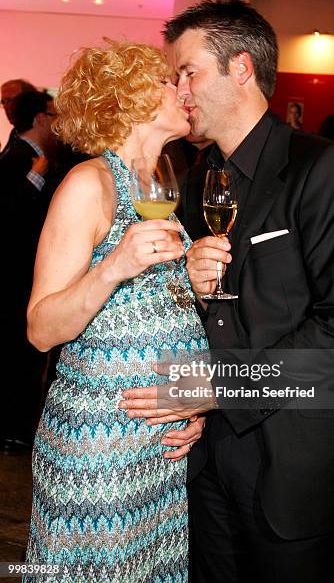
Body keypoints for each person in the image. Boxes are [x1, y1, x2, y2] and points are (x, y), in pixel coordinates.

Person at [119, 0, 334, 583]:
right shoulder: (198, 179)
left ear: (240, 68)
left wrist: (218, 386)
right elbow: (199, 314)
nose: (178, 90)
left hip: (293, 458)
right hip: (207, 453)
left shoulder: (324, 168)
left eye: (188, 72)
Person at [23, 39, 208, 581]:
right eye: (168, 82)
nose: (183, 91)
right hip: (98, 447)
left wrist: (194, 405)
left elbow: (163, 316)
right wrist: (113, 266)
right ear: (127, 99)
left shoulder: (168, 182)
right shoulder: (90, 184)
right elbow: (40, 328)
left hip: (160, 451)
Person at [0, 90, 56, 451]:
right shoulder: (19, 158)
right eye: (52, 115)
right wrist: (36, 179)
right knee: (18, 358)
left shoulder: (34, 157)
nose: (57, 122)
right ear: (39, 119)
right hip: (15, 279)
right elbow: (7, 216)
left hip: (22, 278)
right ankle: (14, 432)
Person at [0, 78, 36, 156]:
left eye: (11, 100)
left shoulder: (36, 132)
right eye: (3, 102)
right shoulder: (16, 131)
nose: (6, 106)